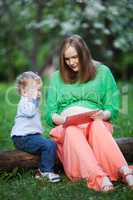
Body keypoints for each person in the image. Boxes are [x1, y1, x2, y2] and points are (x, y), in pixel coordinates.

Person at [45, 35, 133, 191]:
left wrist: (102, 115)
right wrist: (63, 120)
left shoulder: (102, 72)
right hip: (68, 128)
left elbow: (112, 106)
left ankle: (124, 171)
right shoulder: (57, 77)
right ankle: (99, 177)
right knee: (72, 130)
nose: (71, 62)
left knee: (98, 126)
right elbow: (50, 113)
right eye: (67, 59)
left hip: (95, 123)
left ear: (84, 53)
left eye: (75, 57)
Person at [11, 71, 60, 183]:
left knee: (50, 144)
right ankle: (45, 171)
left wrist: (35, 99)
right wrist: (34, 99)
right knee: (48, 145)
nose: (38, 93)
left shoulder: (31, 102)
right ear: (24, 92)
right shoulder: (24, 102)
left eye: (39, 90)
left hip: (30, 137)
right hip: (22, 138)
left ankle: (41, 170)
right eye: (35, 90)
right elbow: (29, 112)